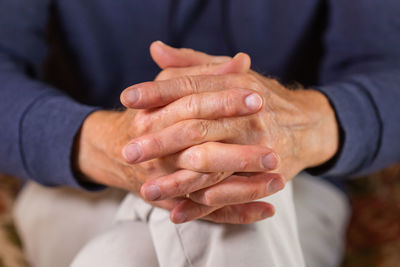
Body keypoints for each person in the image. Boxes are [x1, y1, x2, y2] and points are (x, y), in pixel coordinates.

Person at [0, 0, 399, 266]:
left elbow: (389, 69)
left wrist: (298, 127)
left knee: (121, 255)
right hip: (77, 182)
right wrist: (118, 144)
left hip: (294, 182)